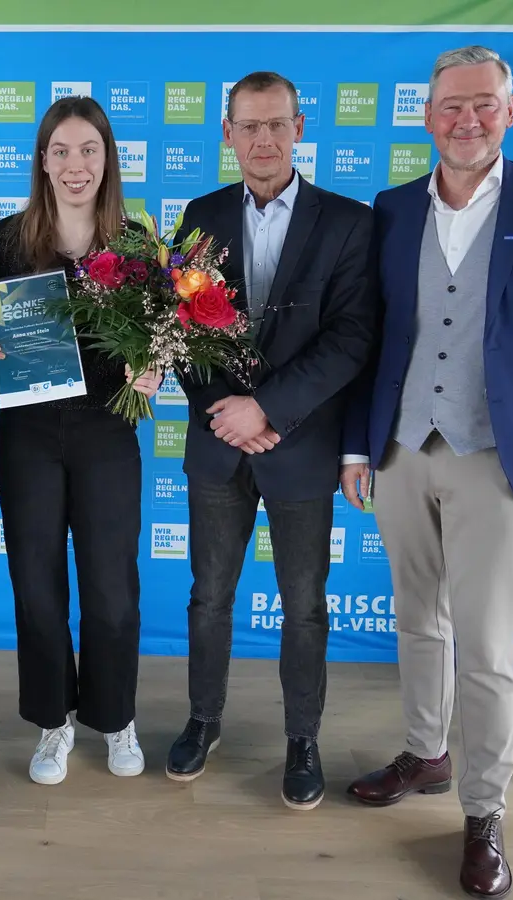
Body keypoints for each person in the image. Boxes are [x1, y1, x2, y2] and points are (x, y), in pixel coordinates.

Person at [339, 46, 513, 898]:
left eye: (484, 105)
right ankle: (426, 754)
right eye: (452, 106)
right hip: (403, 450)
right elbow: (368, 340)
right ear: (427, 115)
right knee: (418, 620)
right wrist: (356, 447)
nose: (468, 120)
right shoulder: (387, 211)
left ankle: (485, 811)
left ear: (509, 110)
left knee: (487, 648)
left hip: (501, 460)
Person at [164, 71, 378, 810]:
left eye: (277, 125)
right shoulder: (198, 216)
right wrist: (226, 410)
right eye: (249, 126)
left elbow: (353, 339)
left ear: (301, 126)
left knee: (304, 605)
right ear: (227, 133)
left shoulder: (348, 222)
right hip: (220, 441)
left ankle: (302, 738)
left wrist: (268, 411)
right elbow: (179, 333)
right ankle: (203, 720)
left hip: (300, 446)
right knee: (208, 598)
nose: (263, 140)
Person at [0, 96, 163, 786]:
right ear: (42, 162)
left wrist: (155, 367)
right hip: (27, 435)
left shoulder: (135, 244)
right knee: (37, 583)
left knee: (112, 588)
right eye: (60, 151)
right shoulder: (9, 238)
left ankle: (115, 717)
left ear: (106, 160)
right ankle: (55, 720)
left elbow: (157, 346)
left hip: (107, 432)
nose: (74, 164)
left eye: (88, 150)